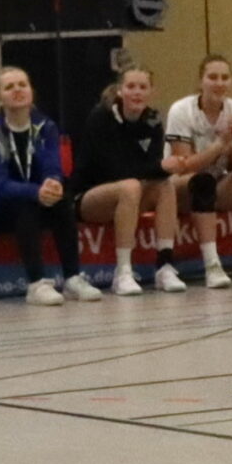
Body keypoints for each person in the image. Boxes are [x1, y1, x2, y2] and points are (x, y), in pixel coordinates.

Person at [0, 67, 99, 304]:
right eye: (9, 87)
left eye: (23, 84)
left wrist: (53, 183)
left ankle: (72, 278)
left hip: (39, 195)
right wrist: (35, 192)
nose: (17, 90)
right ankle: (36, 283)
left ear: (32, 91)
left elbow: (53, 165)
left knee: (62, 202)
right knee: (25, 206)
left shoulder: (45, 126)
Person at [72, 65, 184, 295]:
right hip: (90, 197)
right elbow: (115, 170)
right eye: (131, 86)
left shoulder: (152, 120)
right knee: (131, 186)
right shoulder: (101, 117)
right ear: (120, 90)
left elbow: (153, 171)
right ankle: (123, 272)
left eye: (143, 87)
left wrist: (164, 168)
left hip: (129, 196)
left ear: (151, 91)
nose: (137, 92)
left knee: (165, 185)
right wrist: (160, 167)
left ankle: (164, 266)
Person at [163, 57, 232, 288]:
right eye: (212, 77)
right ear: (200, 82)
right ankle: (212, 264)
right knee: (202, 181)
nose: (219, 83)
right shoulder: (181, 110)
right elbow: (183, 165)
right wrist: (219, 144)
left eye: (225, 77)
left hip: (218, 182)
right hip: (179, 186)